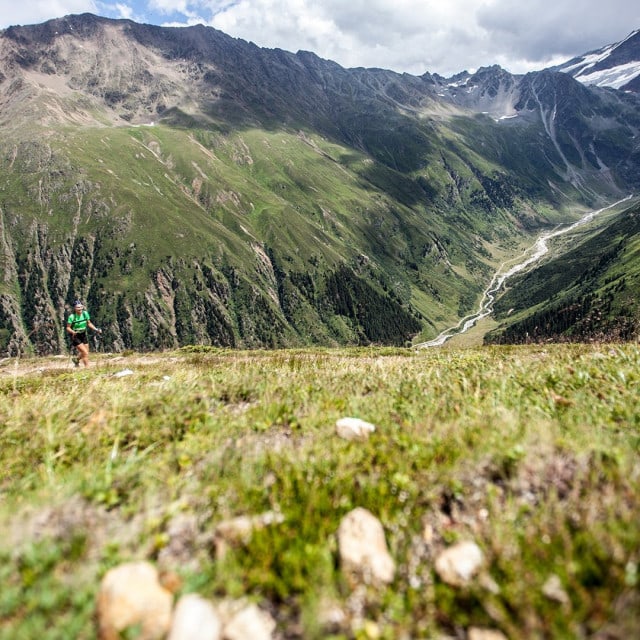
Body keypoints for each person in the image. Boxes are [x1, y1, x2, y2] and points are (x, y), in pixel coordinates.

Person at [66, 300, 101, 367]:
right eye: (78, 307)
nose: (80, 309)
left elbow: (89, 323)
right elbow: (68, 328)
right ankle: (87, 368)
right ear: (74, 308)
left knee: (86, 352)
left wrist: (96, 329)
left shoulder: (85, 314)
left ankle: (76, 359)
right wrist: (73, 332)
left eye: (81, 307)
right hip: (75, 336)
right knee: (85, 352)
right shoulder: (72, 317)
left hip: (83, 334)